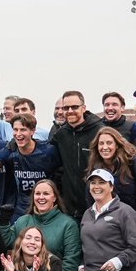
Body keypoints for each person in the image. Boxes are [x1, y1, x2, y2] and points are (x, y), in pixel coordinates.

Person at [0, 180, 82, 271]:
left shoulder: (68, 224)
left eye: (46, 194)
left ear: (54, 198)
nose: (41, 197)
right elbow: (7, 241)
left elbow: (71, 263)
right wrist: (3, 222)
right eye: (37, 193)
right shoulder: (23, 220)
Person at [0, 113, 60, 219]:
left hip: (46, 205)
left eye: (23, 130)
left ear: (33, 131)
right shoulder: (10, 150)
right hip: (22, 208)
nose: (18, 134)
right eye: (15, 130)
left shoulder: (48, 150)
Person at [49, 90, 104, 220]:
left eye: (74, 107)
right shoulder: (61, 135)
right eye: (66, 107)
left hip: (95, 205)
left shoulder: (100, 131)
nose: (70, 111)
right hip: (68, 208)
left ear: (83, 108)